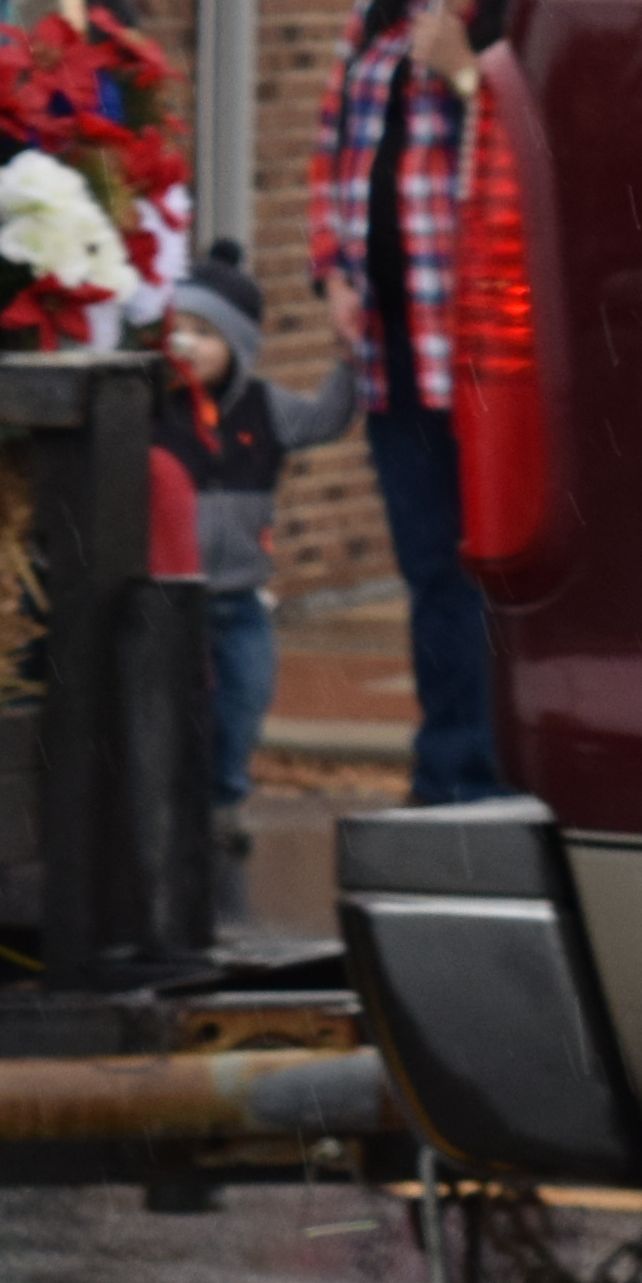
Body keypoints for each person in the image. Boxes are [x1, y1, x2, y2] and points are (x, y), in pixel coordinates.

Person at [309, 0, 527, 805]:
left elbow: (546, 151)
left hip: (490, 351)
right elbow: (334, 159)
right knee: (433, 572)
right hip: (397, 351)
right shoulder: (384, 14)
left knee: (499, 574)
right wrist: (332, 278)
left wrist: (475, 74)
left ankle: (486, 776)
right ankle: (447, 773)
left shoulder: (528, 13)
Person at [154, 250, 369, 917]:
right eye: (177, 328)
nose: (186, 344)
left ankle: (222, 802)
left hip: (240, 601)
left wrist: (351, 361)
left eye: (206, 332)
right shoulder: (151, 409)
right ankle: (173, 811)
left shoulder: (265, 408)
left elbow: (325, 419)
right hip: (171, 601)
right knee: (172, 712)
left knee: (241, 703)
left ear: (239, 347)